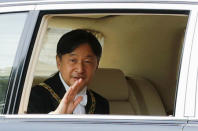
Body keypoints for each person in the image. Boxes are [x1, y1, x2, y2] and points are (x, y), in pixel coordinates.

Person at [27, 29, 109, 114]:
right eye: (73, 60)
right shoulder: (34, 96)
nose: (80, 69)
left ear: (97, 65)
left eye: (87, 61)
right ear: (59, 62)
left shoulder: (101, 103)